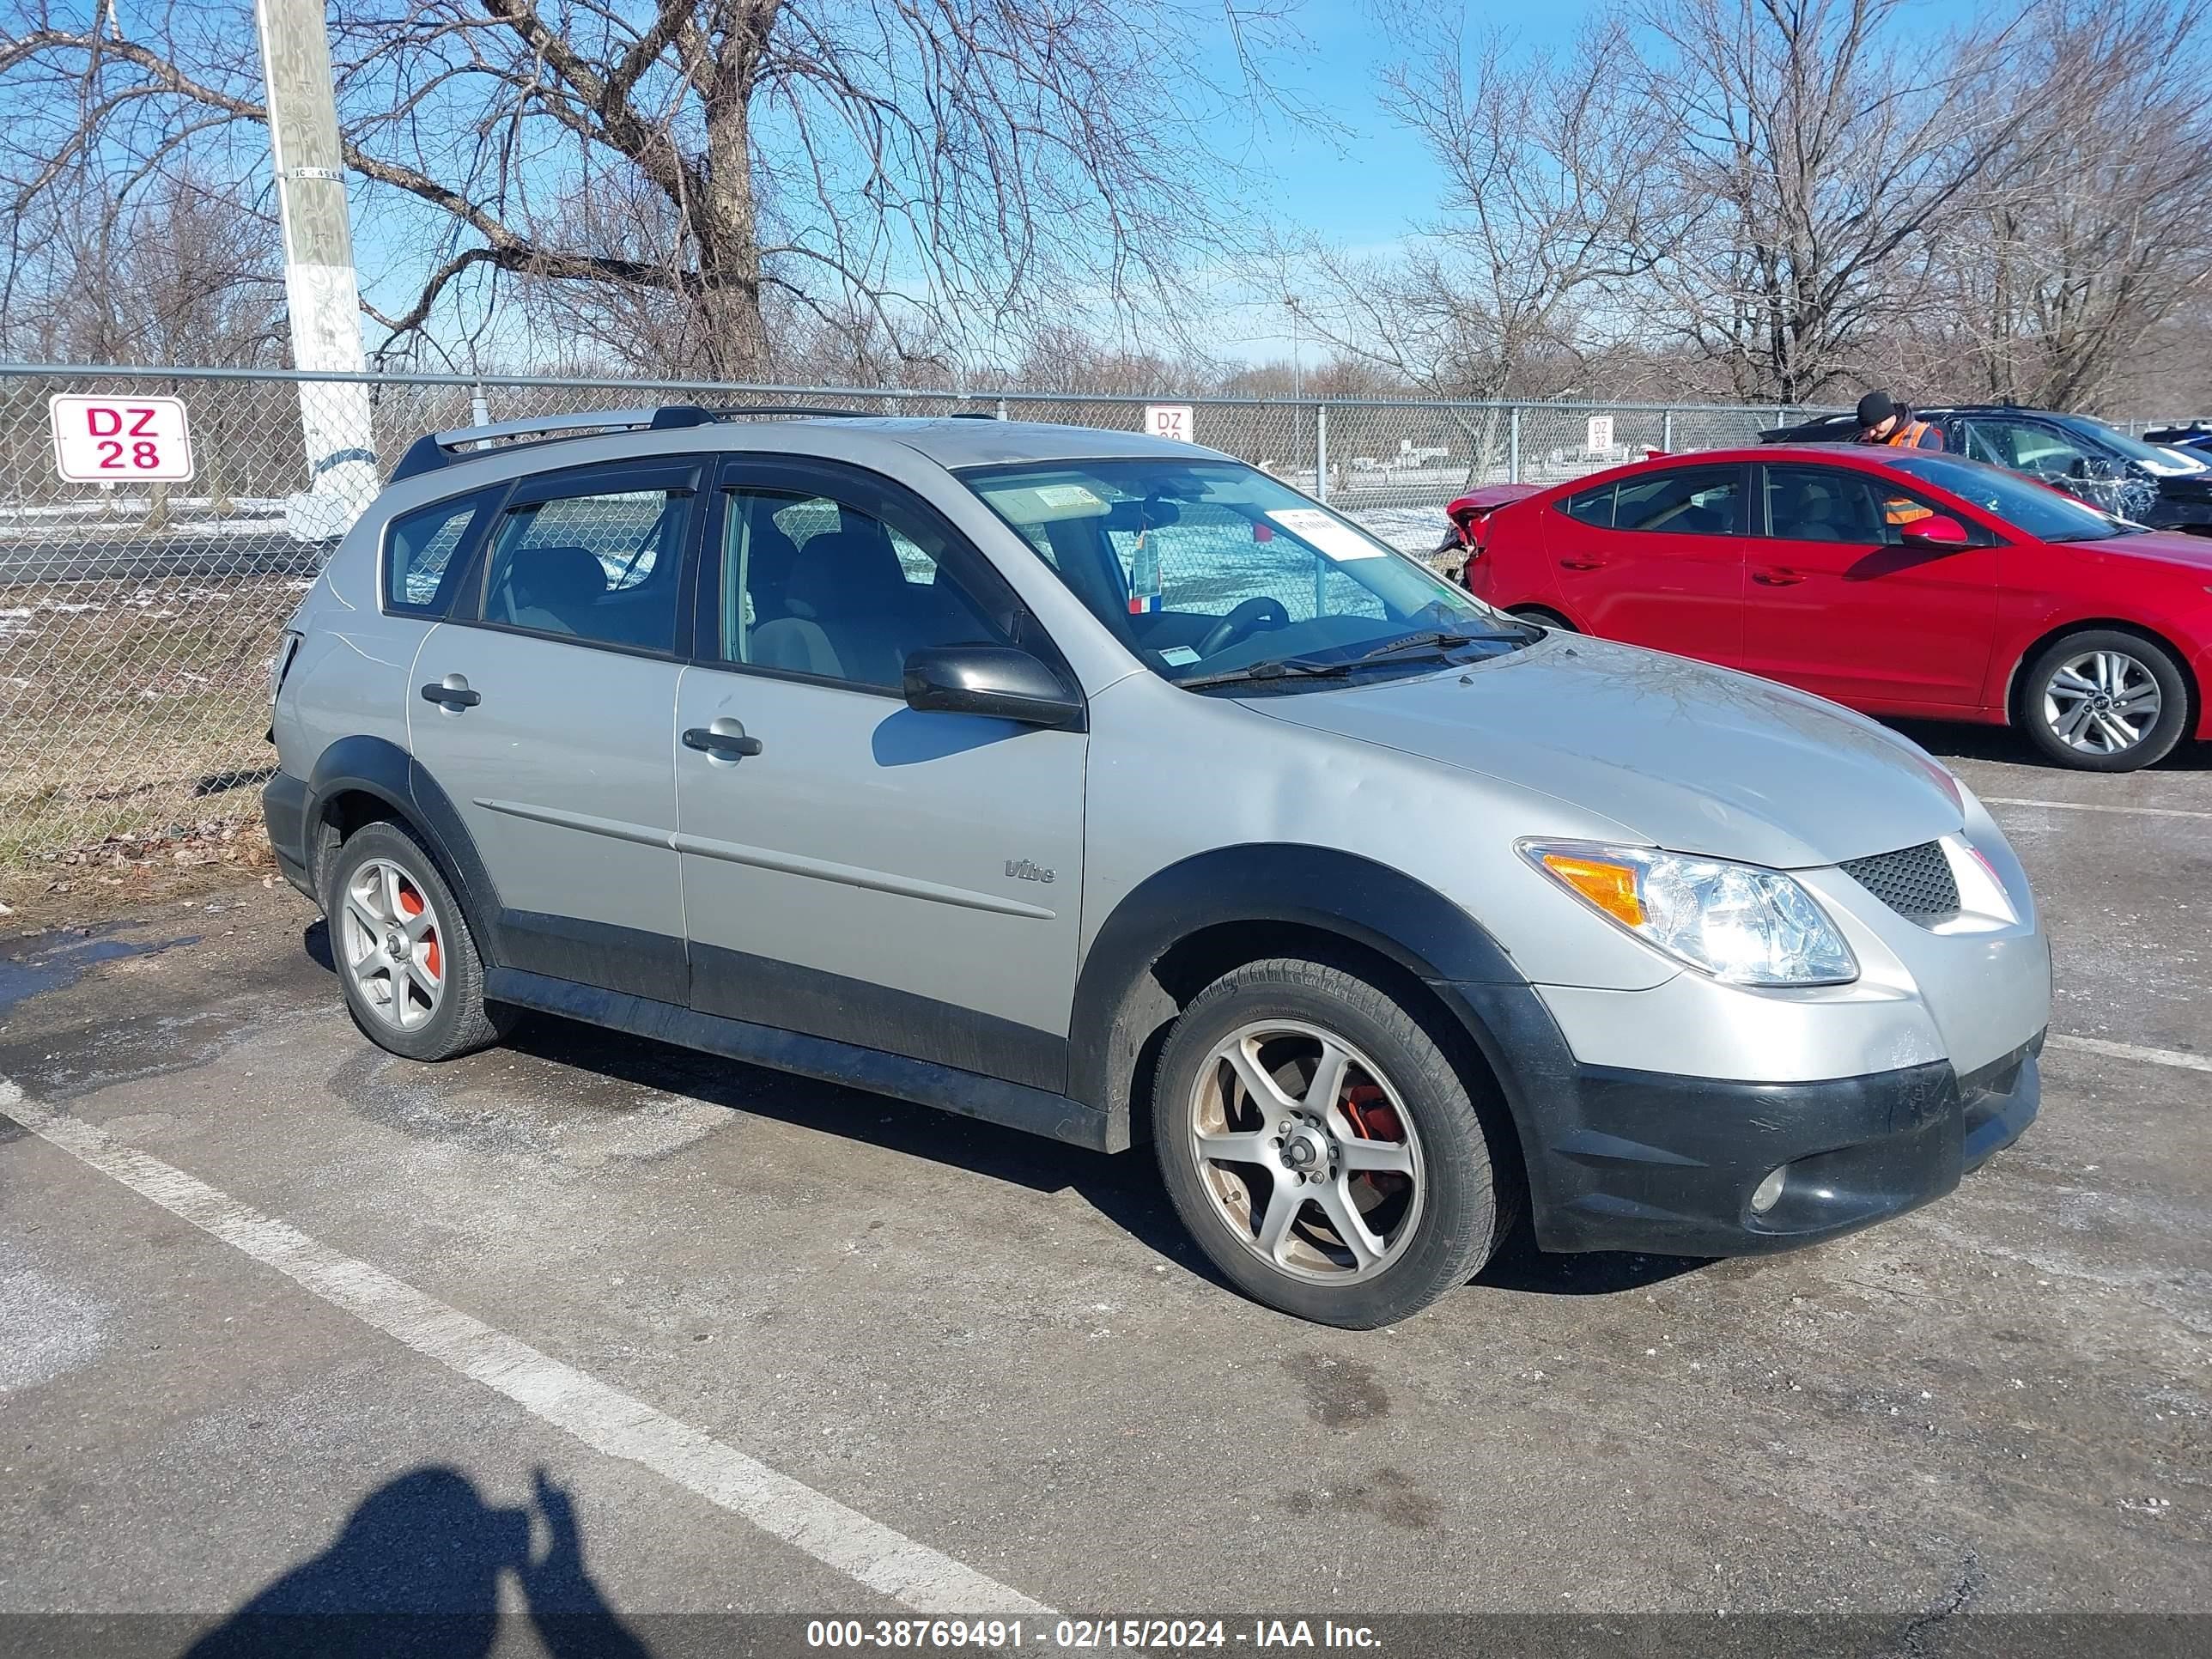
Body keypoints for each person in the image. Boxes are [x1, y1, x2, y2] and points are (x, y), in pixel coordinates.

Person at [1856, 391, 1943, 451]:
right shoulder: (1863, 441)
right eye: (1868, 428)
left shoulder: (1923, 437)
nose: (1871, 433)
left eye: (1876, 426)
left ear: (1890, 416)